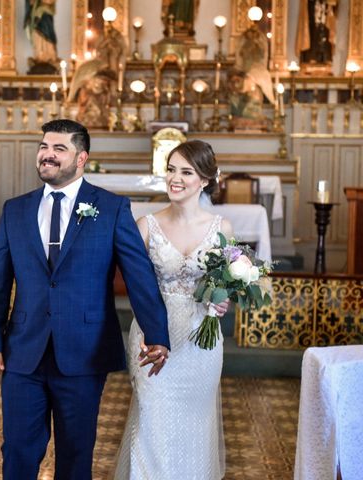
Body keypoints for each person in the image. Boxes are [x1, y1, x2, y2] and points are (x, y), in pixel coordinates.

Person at [0, 119, 170, 479]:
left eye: (58, 149)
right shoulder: (15, 209)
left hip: (84, 352)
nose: (47, 155)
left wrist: (156, 333)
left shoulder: (111, 208)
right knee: (18, 451)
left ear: (81, 158)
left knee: (76, 454)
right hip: (23, 352)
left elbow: (139, 277)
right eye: (43, 147)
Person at [113, 140, 233, 480]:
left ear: (206, 180)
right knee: (152, 421)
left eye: (186, 171)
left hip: (200, 342)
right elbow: (136, 286)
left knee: (196, 425)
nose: (175, 178)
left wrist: (221, 299)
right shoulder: (145, 226)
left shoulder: (221, 229)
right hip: (154, 337)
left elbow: (225, 281)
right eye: (170, 169)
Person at [24, 0, 58, 69]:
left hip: (46, 14)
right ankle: (39, 57)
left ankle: (49, 57)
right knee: (37, 34)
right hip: (35, 17)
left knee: (47, 35)